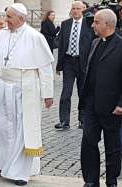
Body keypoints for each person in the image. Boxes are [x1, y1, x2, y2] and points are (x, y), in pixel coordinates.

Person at [0, 3, 54, 186]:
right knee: (2, 127)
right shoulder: (1, 35)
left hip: (26, 88)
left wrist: (47, 94)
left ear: (21, 18)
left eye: (9, 17)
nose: (6, 20)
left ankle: (20, 172)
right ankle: (4, 164)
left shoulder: (35, 37)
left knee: (22, 131)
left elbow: (45, 68)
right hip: (4, 86)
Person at [80, 9, 122, 187]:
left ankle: (111, 180)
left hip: (112, 106)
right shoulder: (95, 42)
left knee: (112, 147)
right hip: (90, 104)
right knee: (88, 142)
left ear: (107, 24)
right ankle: (91, 180)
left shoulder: (121, 45)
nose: (92, 25)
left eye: (96, 22)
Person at [55, 1, 93, 130]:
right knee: (66, 93)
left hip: (83, 63)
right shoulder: (65, 24)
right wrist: (58, 65)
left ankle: (83, 120)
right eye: (73, 8)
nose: (75, 11)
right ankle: (64, 121)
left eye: (78, 8)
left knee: (83, 93)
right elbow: (61, 45)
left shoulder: (89, 24)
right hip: (68, 62)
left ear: (83, 10)